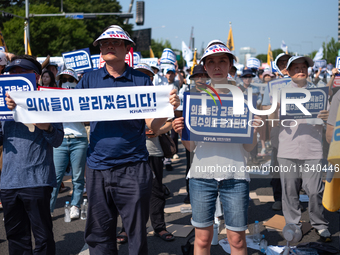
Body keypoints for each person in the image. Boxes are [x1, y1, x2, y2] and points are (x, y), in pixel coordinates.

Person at [75, 25, 179, 255]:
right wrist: (27, 105)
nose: (109, 46)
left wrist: (167, 108)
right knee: (99, 234)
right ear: (100, 50)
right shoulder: (88, 79)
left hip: (133, 167)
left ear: (127, 49)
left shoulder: (141, 80)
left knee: (136, 233)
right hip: (97, 167)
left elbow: (152, 124)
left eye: (116, 43)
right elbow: (73, 114)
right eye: (104, 43)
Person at [173, 42, 261, 255]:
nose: (217, 66)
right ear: (205, 67)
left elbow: (249, 147)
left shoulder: (244, 99)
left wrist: (255, 129)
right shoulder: (195, 98)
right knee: (202, 240)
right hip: (201, 176)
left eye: (223, 60)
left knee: (237, 240)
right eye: (211, 61)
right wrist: (181, 132)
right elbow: (191, 147)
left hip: (235, 176)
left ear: (231, 65)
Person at [1, 55, 64, 255]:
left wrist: (42, 123)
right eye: (12, 73)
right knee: (16, 236)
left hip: (37, 179)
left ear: (36, 77)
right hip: (9, 181)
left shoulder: (48, 100)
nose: (16, 76)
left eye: (22, 73)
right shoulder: (2, 103)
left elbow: (57, 140)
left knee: (43, 235)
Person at [117, 63, 175, 243]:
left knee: (156, 190)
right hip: (130, 152)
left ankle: (159, 226)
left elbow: (170, 122)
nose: (144, 78)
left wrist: (157, 130)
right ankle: (126, 229)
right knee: (129, 193)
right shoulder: (123, 96)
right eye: (140, 75)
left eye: (148, 75)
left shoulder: (159, 97)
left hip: (153, 150)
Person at [277, 56, 331, 242]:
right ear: (288, 72)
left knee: (315, 191)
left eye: (303, 67)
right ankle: (293, 224)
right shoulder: (280, 93)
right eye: (296, 67)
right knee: (290, 192)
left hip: (313, 149)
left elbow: (329, 121)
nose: (300, 70)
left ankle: (319, 224)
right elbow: (272, 118)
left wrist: (326, 116)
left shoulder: (319, 93)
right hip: (288, 149)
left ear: (308, 71)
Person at [49, 68, 87, 219]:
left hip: (79, 139)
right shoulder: (55, 96)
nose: (66, 83)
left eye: (70, 80)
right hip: (61, 140)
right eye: (63, 80)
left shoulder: (82, 96)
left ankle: (75, 205)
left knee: (77, 177)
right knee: (56, 178)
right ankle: (49, 209)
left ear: (76, 82)